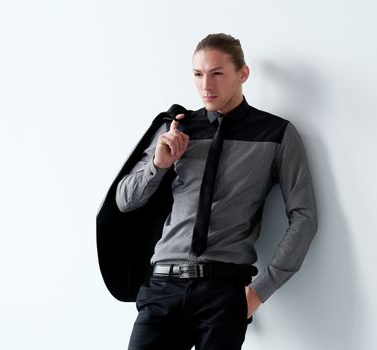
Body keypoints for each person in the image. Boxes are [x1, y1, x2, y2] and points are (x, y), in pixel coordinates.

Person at [115, 33, 318, 350]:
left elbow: (304, 216)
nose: (206, 85)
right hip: (162, 287)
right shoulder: (177, 129)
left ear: (243, 74)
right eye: (198, 74)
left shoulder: (276, 134)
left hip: (223, 293)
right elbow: (125, 200)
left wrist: (259, 292)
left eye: (217, 73)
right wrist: (159, 163)